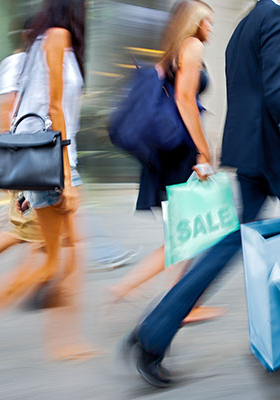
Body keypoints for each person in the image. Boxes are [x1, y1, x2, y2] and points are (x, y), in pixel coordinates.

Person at [125, 0, 280, 387]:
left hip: (251, 153)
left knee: (233, 239)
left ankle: (154, 332)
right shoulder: (279, 15)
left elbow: (250, 94)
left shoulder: (243, 27)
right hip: (279, 153)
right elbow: (277, 94)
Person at [0, 0, 94, 360]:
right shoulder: (55, 38)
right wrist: (65, 181)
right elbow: (52, 109)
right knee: (51, 263)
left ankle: (65, 341)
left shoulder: (56, 43)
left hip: (61, 164)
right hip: (55, 167)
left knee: (68, 258)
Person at [107, 0, 223, 323]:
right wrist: (204, 150)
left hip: (170, 151)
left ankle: (178, 302)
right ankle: (137, 291)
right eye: (207, 21)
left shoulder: (172, 48)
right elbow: (185, 100)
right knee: (185, 236)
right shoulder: (192, 46)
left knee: (184, 235)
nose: (210, 28)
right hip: (182, 151)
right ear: (194, 23)